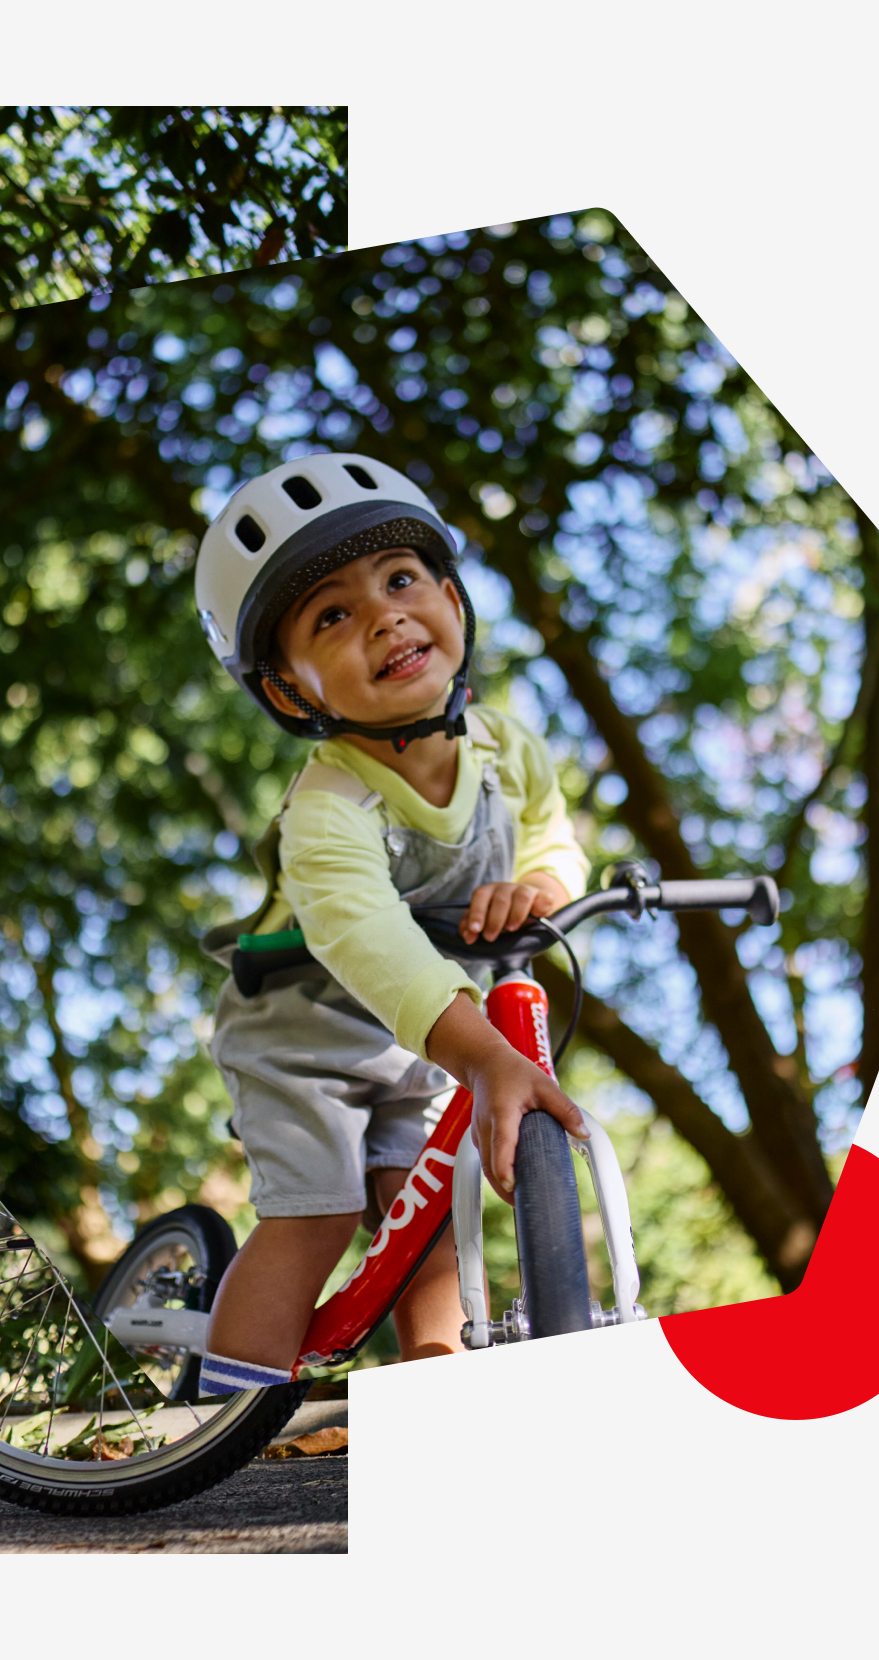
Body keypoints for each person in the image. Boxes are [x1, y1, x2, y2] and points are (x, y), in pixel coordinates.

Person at [183, 453, 595, 1396]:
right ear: (292, 692)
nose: (383, 616)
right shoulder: (327, 810)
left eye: (401, 580)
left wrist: (540, 882)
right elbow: (368, 938)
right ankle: (225, 1407)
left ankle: (434, 1378)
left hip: (426, 1038)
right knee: (319, 1211)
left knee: (430, 1211)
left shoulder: (508, 748)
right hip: (304, 1036)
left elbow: (554, 839)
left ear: (451, 598)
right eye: (332, 615)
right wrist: (486, 1056)